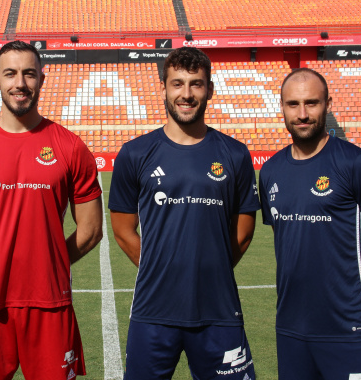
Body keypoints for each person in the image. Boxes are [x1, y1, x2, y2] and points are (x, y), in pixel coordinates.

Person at [0, 40, 103, 380]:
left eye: (29, 74)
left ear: (42, 78)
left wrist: (49, 263)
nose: (20, 83)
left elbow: (91, 230)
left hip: (51, 303)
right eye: (10, 74)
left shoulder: (70, 146)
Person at [109, 47, 259, 379]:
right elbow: (122, 229)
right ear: (163, 87)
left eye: (196, 84)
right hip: (153, 310)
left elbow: (245, 231)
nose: (186, 94)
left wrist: (210, 270)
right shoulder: (134, 154)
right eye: (177, 83)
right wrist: (160, 269)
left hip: (218, 311)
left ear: (210, 90)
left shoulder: (235, 154)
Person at [259, 68, 361, 380]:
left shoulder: (357, 163)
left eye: (311, 103)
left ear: (327, 104)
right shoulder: (270, 171)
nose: (302, 114)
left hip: (350, 328)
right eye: (293, 104)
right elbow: (287, 239)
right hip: (291, 328)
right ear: (282, 107)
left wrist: (360, 292)